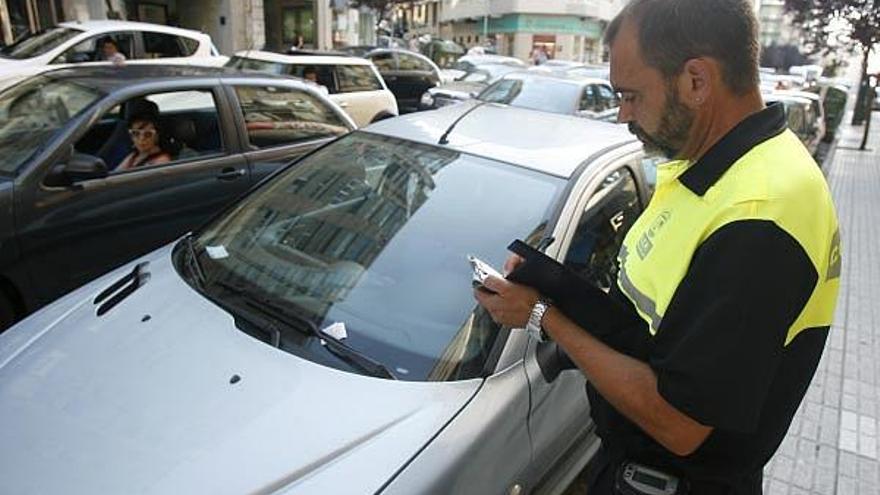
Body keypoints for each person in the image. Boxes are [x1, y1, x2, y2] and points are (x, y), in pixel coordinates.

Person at [475, 0, 841, 493]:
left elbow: (680, 423)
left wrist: (544, 316)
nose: (623, 113)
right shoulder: (713, 166)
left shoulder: (763, 214)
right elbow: (649, 325)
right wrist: (553, 282)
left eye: (630, 95)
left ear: (696, 81)